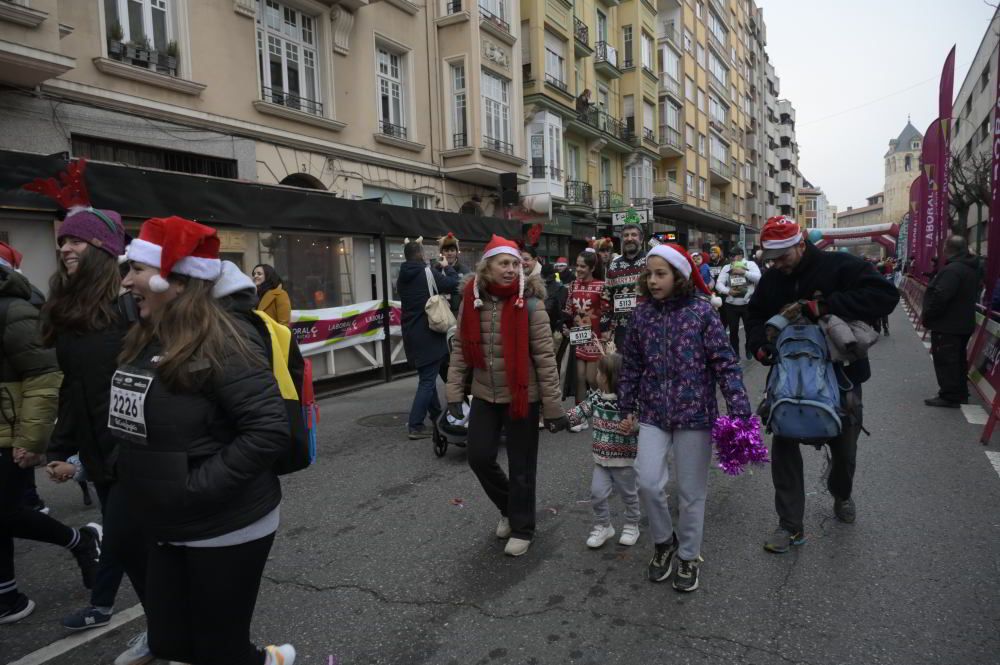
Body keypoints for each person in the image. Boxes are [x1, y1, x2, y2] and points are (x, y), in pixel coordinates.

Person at [115, 215, 295, 665]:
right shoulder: (145, 336)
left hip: (225, 522)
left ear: (174, 281)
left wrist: (192, 488)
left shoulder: (224, 340)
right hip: (166, 521)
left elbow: (268, 430)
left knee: (218, 650)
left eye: (136, 269)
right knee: (170, 643)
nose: (126, 282)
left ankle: (269, 660)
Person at [29, 178, 152, 655]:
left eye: (76, 239)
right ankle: (162, 624)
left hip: (136, 453)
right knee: (130, 544)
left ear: (102, 249)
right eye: (62, 241)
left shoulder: (131, 308)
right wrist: (62, 448)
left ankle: (173, 629)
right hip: (102, 456)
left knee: (131, 541)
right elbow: (75, 388)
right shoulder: (70, 310)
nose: (65, 248)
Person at [747, 216, 898, 553]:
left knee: (844, 452)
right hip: (789, 379)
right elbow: (754, 315)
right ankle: (790, 525)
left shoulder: (841, 266)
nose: (777, 264)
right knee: (784, 447)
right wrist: (759, 345)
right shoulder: (772, 278)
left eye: (783, 256)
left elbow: (886, 295)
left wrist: (828, 306)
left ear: (801, 244)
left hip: (842, 379)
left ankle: (841, 493)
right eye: (771, 259)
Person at [618, 243, 751, 593]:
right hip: (653, 412)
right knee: (648, 482)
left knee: (691, 493)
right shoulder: (641, 315)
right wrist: (626, 405)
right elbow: (631, 364)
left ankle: (689, 555)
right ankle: (664, 542)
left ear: (679, 276)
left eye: (660, 274)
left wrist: (739, 408)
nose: (652, 280)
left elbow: (725, 362)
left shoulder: (701, 312)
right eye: (649, 274)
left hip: (695, 414)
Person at [446, 235, 565, 557]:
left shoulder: (532, 305)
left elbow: (545, 359)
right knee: (479, 457)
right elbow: (460, 350)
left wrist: (553, 408)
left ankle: (523, 527)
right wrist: (454, 392)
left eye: (515, 263)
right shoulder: (471, 302)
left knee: (522, 465)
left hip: (523, 396)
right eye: (504, 263)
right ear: (488, 267)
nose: (512, 268)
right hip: (485, 394)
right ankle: (510, 508)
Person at [0, 252, 103, 624]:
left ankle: (80, 541)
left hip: (9, 433)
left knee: (5, 511)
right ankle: (7, 594)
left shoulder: (13, 310)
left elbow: (44, 376)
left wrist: (33, 439)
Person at [563, 353, 640, 549]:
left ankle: (632, 524)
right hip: (601, 460)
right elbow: (581, 411)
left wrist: (633, 426)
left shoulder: (629, 402)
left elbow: (641, 424)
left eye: (599, 372)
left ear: (607, 377)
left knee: (629, 495)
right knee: (597, 494)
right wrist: (561, 419)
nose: (596, 375)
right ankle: (603, 525)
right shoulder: (596, 398)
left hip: (625, 461)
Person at [397, 240, 458, 439]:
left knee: (427, 375)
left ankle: (437, 415)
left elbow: (422, 286)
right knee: (427, 380)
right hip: (428, 333)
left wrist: (434, 269)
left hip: (411, 333)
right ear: (421, 254)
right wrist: (447, 268)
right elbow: (453, 284)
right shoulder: (427, 273)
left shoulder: (402, 276)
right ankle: (415, 425)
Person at [922, 236, 980, 408]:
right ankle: (959, 393)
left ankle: (949, 395)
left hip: (947, 324)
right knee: (958, 360)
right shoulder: (970, 268)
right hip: (963, 322)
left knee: (946, 361)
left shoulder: (952, 270)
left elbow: (941, 296)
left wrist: (929, 315)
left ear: (947, 248)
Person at [564, 250, 605, 424]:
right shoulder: (572, 285)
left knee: (591, 379)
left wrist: (607, 333)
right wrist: (566, 326)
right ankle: (580, 417)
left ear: (592, 268)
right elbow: (568, 309)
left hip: (595, 338)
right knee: (579, 377)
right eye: (577, 265)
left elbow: (607, 311)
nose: (578, 269)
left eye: (583, 266)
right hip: (578, 337)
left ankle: (601, 407)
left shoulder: (602, 286)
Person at [600, 223, 646, 349]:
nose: (629, 238)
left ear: (641, 239)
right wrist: (604, 326)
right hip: (622, 331)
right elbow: (606, 298)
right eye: (626, 235)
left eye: (634, 235)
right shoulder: (614, 266)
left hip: (648, 327)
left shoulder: (651, 262)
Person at [715, 246, 762, 360]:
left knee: (749, 329)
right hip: (731, 305)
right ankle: (735, 353)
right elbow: (719, 284)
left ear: (741, 255)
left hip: (748, 304)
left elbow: (759, 278)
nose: (732, 258)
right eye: (730, 256)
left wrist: (744, 272)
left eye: (734, 255)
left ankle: (748, 348)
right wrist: (728, 291)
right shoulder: (727, 267)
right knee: (733, 331)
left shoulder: (750, 264)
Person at [541, 262, 569, 369]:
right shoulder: (561, 288)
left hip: (544, 329)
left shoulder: (538, 287)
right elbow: (563, 310)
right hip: (556, 330)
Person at [437, 232, 470, 315]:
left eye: (452, 250)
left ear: (456, 252)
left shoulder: (464, 270)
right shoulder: (436, 269)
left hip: (458, 313)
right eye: (446, 250)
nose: (449, 253)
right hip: (440, 314)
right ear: (442, 252)